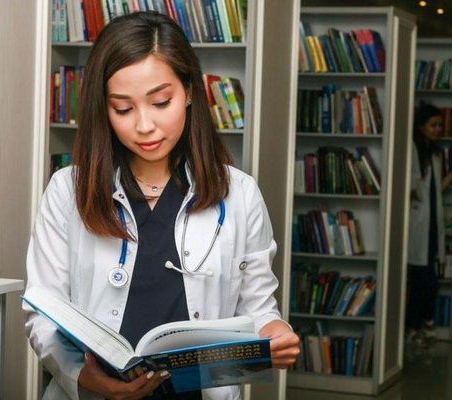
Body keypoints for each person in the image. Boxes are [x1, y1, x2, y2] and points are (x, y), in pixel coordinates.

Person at [24, 11, 299, 400]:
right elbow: (44, 315)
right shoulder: (67, 191)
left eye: (160, 102)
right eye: (123, 108)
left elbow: (259, 310)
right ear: (104, 108)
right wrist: (84, 377)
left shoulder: (240, 194)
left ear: (188, 92)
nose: (144, 125)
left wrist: (275, 333)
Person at [406, 103, 452, 347]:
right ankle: (418, 326)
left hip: (431, 223)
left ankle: (421, 325)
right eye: (433, 125)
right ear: (421, 126)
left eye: (440, 126)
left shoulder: (435, 153)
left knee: (428, 279)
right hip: (418, 222)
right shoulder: (413, 149)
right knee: (422, 280)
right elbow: (412, 188)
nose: (437, 130)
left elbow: (435, 191)